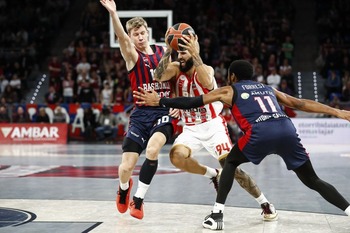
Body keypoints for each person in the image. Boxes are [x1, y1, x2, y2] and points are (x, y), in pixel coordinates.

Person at [133, 59, 350, 230]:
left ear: (232, 76)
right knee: (313, 180)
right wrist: (337, 111)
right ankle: (348, 209)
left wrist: (160, 101)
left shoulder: (229, 89)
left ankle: (217, 215)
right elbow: (300, 103)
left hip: (261, 132)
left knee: (230, 162)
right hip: (287, 130)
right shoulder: (268, 88)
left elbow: (192, 102)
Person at [152, 30, 277, 220]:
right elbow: (158, 76)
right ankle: (212, 174)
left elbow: (207, 82)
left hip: (213, 126)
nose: (181, 57)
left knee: (231, 167)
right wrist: (169, 50)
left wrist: (195, 54)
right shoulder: (175, 68)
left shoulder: (206, 68)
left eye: (184, 53)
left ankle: (264, 203)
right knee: (176, 157)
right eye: (179, 53)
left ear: (194, 51)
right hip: (191, 128)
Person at [100, 0, 178, 220]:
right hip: (140, 115)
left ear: (148, 32)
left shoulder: (164, 53)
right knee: (125, 167)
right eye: (136, 34)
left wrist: (174, 104)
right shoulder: (133, 56)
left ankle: (139, 200)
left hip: (162, 113)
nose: (140, 37)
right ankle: (124, 188)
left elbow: (176, 82)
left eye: (143, 32)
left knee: (153, 151)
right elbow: (122, 39)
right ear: (131, 37)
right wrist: (114, 14)